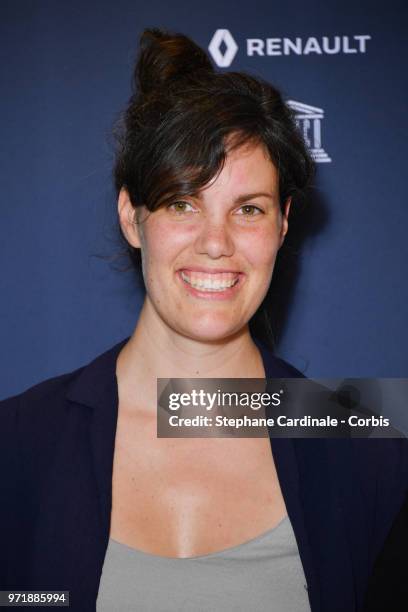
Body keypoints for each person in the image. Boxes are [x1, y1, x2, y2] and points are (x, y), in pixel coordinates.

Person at [0, 28, 407, 612]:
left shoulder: (368, 452)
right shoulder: (18, 444)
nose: (215, 243)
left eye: (248, 209)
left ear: (283, 224)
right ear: (131, 216)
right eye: (183, 202)